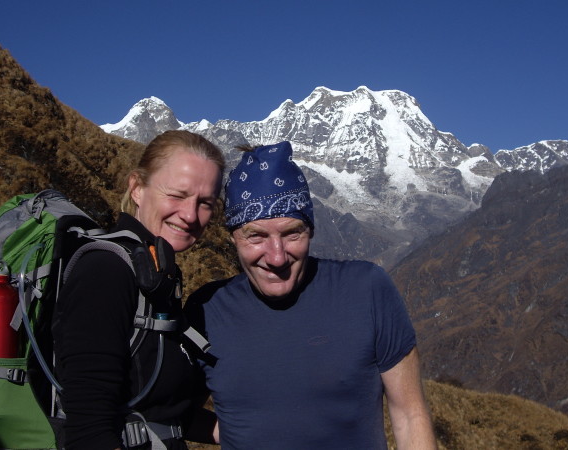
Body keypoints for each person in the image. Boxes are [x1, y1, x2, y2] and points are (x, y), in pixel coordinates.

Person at [185, 141, 437, 449]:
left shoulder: (367, 289)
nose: (276, 257)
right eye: (257, 236)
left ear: (311, 231)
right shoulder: (207, 309)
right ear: (232, 237)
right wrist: (239, 434)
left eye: (292, 233)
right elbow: (172, 411)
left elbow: (410, 414)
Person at [52, 130, 223, 449]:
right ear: (137, 188)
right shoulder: (106, 271)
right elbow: (88, 429)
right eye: (177, 194)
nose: (189, 215)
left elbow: (163, 415)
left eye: (205, 203)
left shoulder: (156, 276)